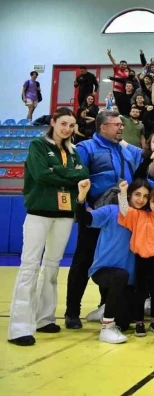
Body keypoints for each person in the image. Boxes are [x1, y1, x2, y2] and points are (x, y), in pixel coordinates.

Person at [7, 108, 89, 346]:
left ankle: (45, 318)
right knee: (30, 266)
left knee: (52, 266)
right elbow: (42, 175)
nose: (67, 129)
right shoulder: (38, 145)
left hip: (64, 215)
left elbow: (84, 173)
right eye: (63, 123)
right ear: (53, 122)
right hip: (38, 213)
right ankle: (19, 328)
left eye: (71, 125)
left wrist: (62, 172)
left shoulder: (73, 151)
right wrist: (70, 175)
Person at [64, 110, 145, 330]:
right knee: (83, 261)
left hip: (121, 217)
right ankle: (72, 312)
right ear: (102, 127)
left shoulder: (125, 150)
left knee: (113, 263)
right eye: (116, 124)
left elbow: (143, 170)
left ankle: (104, 306)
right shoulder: (86, 148)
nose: (121, 127)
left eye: (121, 124)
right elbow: (76, 181)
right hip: (97, 214)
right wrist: (85, 208)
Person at [117, 182, 154, 336]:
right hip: (142, 260)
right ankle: (139, 322)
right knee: (140, 292)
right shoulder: (140, 215)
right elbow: (124, 210)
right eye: (153, 201)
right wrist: (123, 192)